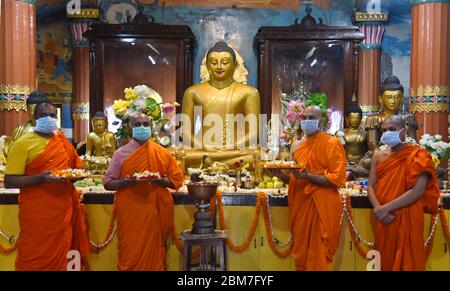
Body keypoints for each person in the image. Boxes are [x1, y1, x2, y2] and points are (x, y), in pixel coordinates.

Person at [4, 101, 89, 271]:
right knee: (34, 254)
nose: (49, 118)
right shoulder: (22, 143)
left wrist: (70, 177)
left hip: (63, 208)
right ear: (35, 119)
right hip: (37, 212)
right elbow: (10, 180)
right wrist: (41, 178)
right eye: (43, 115)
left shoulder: (62, 141)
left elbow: (76, 169)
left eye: (52, 115)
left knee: (64, 255)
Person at [103, 112, 184, 270]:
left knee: (153, 254)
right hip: (130, 211)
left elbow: (177, 181)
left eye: (145, 124)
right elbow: (107, 183)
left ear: (152, 127)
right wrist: (125, 183)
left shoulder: (162, 153)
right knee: (130, 251)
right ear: (130, 127)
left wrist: (160, 181)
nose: (142, 127)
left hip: (154, 210)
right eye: (138, 124)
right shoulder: (120, 154)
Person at [273, 105, 347, 270]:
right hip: (300, 203)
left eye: (311, 118)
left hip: (321, 205)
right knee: (302, 252)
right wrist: (277, 173)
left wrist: (309, 176)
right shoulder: (296, 146)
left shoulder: (331, 143)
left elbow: (337, 178)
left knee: (319, 253)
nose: (307, 121)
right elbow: (295, 178)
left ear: (321, 120)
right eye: (304, 118)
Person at [368, 115, 439, 271]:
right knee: (384, 258)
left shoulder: (419, 155)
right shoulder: (378, 155)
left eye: (392, 129)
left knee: (409, 261)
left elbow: (417, 191)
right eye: (384, 130)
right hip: (384, 219)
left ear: (404, 130)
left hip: (407, 214)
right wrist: (378, 208)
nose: (387, 133)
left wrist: (384, 208)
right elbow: (371, 186)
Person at [181, 41, 261, 168]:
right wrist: (203, 146)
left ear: (235, 65)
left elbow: (254, 133)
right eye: (213, 62)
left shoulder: (249, 92)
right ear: (207, 65)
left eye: (224, 62)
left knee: (255, 155)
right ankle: (216, 162)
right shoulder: (192, 92)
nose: (219, 67)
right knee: (181, 155)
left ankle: (212, 163)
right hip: (203, 151)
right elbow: (185, 133)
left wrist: (232, 146)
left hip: (235, 151)